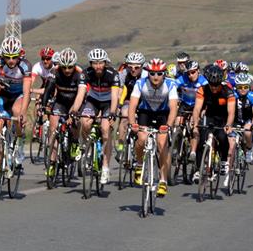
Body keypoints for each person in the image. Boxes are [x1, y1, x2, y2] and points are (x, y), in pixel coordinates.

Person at [128, 58, 179, 197]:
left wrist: (168, 125)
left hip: (163, 115)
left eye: (159, 74)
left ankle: (163, 180)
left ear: (164, 74)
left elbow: (173, 108)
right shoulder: (140, 83)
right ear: (148, 73)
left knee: (162, 144)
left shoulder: (170, 84)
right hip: (145, 113)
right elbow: (132, 105)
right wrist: (132, 123)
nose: (156, 77)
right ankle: (139, 165)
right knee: (141, 138)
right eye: (152, 73)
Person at [74, 48, 120, 185]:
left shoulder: (113, 74)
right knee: (85, 121)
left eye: (100, 63)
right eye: (95, 63)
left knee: (105, 130)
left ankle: (105, 167)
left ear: (105, 63)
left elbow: (115, 96)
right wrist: (74, 110)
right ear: (90, 64)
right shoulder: (85, 73)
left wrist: (112, 112)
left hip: (108, 102)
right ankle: (86, 145)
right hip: (93, 100)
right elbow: (81, 94)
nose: (98, 66)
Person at [0, 36, 33, 171]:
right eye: (7, 57)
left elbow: (26, 91)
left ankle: (19, 141)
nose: (11, 60)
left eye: (14, 57)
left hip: (19, 95)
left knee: (17, 113)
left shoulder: (25, 66)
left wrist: (24, 112)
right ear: (3, 56)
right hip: (4, 95)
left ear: (19, 55)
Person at [40, 47, 84, 177]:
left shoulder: (80, 74)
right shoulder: (55, 72)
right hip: (60, 102)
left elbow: (81, 95)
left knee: (76, 121)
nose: (67, 70)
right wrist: (44, 106)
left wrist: (74, 111)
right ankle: (52, 163)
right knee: (53, 129)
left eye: (70, 67)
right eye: (64, 67)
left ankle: (75, 142)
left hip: (75, 102)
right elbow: (48, 90)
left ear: (74, 65)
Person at [191, 64, 236, 183]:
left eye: (216, 85)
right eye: (211, 84)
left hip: (223, 118)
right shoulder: (202, 89)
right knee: (202, 140)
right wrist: (195, 125)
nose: (214, 87)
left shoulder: (228, 91)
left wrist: (228, 124)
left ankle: (224, 161)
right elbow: (197, 109)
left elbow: (231, 112)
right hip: (210, 116)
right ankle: (198, 170)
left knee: (222, 137)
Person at [233, 73, 253, 163]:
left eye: (245, 87)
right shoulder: (233, 95)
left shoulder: (252, 96)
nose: (243, 89)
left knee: (247, 132)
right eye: (240, 87)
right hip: (235, 119)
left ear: (249, 87)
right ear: (236, 87)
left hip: (248, 119)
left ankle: (249, 149)